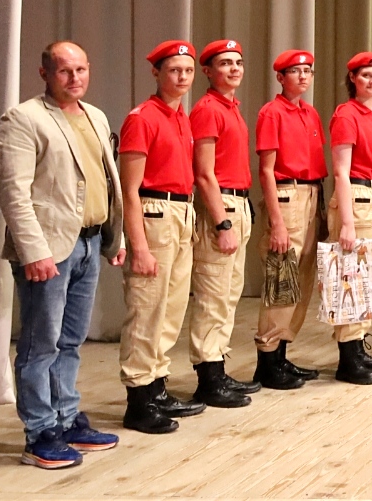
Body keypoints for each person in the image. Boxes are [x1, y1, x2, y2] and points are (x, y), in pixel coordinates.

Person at [0, 41, 124, 467]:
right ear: (45, 73)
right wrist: (34, 251)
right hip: (48, 250)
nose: (74, 78)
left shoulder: (95, 115)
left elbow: (105, 180)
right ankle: (39, 433)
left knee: (70, 340)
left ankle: (66, 419)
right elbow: (13, 193)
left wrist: (115, 237)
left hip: (88, 242)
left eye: (81, 69)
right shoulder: (24, 118)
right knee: (40, 344)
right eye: (65, 70)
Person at [117, 40, 206, 433]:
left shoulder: (180, 116)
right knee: (147, 306)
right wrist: (139, 246)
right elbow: (129, 189)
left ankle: (156, 385)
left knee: (171, 307)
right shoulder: (143, 118)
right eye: (174, 70)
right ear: (156, 73)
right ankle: (138, 399)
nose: (182, 77)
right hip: (154, 212)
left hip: (182, 211)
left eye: (187, 70)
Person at [186, 40, 260, 408]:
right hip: (221, 205)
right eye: (225, 63)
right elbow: (204, 173)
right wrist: (222, 222)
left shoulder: (231, 108)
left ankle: (217, 365)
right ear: (208, 71)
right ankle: (208, 377)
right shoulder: (207, 110)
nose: (234, 69)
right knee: (213, 294)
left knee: (229, 293)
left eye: (238, 63)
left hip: (237, 201)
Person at [252, 49, 327, 389]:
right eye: (295, 71)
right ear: (281, 78)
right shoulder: (272, 112)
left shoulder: (310, 113)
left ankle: (282, 353)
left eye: (307, 70)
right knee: (282, 280)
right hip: (287, 195)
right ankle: (267, 359)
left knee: (303, 280)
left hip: (312, 194)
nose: (303, 76)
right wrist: (278, 222)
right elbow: (266, 170)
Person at [327, 52, 372, 384]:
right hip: (357, 196)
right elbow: (341, 172)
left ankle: (358, 346)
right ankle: (348, 356)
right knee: (350, 277)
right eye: (366, 75)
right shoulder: (346, 114)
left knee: (371, 279)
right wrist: (347, 222)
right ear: (353, 79)